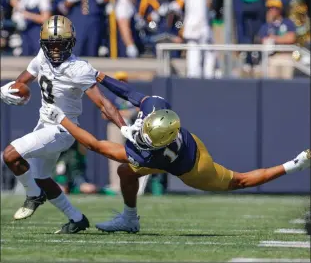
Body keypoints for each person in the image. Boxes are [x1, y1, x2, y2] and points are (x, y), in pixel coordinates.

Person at [42, 77, 311, 233]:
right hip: (186, 141)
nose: (142, 134)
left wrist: (62, 119)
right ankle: (129, 218)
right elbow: (132, 93)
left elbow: (96, 146)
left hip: (193, 166)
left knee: (238, 181)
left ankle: (294, 165)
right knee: (125, 173)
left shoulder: (147, 154)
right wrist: (100, 77)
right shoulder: (158, 109)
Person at [0, 15, 126, 234]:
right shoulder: (41, 57)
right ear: (44, 44)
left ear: (71, 43)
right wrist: (8, 89)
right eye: (52, 44)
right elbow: (22, 81)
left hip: (63, 128)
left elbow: (103, 103)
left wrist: (124, 128)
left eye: (61, 43)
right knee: (42, 177)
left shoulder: (79, 68)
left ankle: (32, 195)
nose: (56, 49)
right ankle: (76, 219)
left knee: (10, 155)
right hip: (44, 125)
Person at [256, 0, 297, 79]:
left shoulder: (287, 23)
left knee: (287, 82)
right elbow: (263, 40)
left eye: (275, 8)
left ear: (280, 10)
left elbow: (291, 38)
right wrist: (281, 38)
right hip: (272, 57)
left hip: (286, 55)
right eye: (270, 8)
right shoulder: (266, 26)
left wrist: (274, 38)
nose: (272, 10)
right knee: (272, 82)